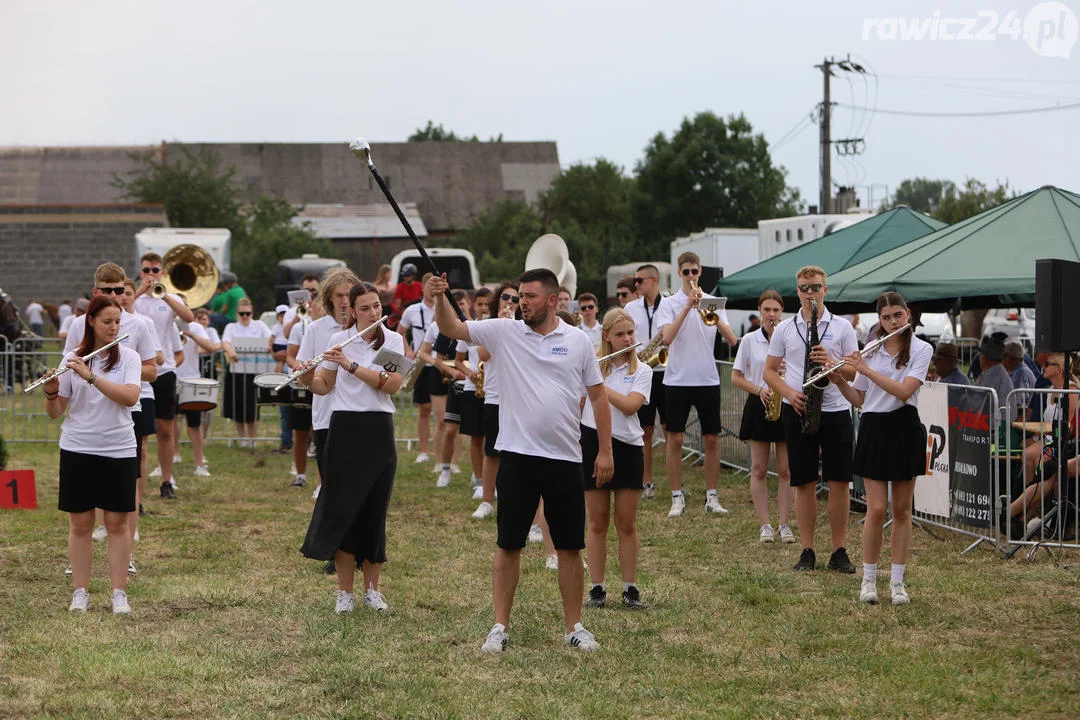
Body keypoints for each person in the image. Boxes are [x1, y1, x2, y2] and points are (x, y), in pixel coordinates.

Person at [430, 268, 614, 654]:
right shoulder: (504, 330)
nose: (520, 303)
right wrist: (438, 297)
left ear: (551, 299)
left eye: (528, 297)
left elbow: (597, 396)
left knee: (568, 547)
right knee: (508, 544)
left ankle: (574, 626)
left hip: (565, 458)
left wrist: (605, 449)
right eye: (517, 297)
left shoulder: (578, 340)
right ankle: (499, 626)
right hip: (516, 456)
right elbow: (454, 327)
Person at [301, 282, 405, 614]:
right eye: (365, 308)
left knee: (375, 509)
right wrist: (305, 377)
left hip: (378, 428)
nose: (374, 313)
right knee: (342, 508)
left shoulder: (393, 340)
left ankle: (372, 590)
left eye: (376, 306)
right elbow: (324, 386)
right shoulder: (337, 340)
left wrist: (350, 365)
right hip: (344, 427)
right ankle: (344, 592)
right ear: (352, 312)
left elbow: (392, 384)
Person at [829, 292, 932, 605]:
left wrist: (865, 369)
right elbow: (861, 400)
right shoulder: (870, 351)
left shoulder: (922, 348)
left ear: (907, 315)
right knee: (875, 509)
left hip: (904, 427)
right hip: (874, 428)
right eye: (886, 318)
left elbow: (903, 392)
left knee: (901, 510)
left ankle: (898, 582)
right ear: (880, 320)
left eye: (897, 316)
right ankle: (869, 580)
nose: (892, 322)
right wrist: (839, 381)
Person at [43, 295, 142, 614]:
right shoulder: (73, 357)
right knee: (81, 525)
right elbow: (56, 412)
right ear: (91, 323)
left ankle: (118, 593)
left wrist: (91, 377)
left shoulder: (129, 357)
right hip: (77, 446)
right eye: (107, 322)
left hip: (118, 448)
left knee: (117, 524)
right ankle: (80, 592)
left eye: (117, 322)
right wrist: (51, 390)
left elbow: (129, 397)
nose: (114, 328)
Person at [763, 265, 859, 573]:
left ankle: (839, 549)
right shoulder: (786, 328)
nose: (810, 294)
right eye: (804, 289)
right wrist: (790, 394)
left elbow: (854, 372)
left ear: (825, 290)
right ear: (798, 292)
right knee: (803, 481)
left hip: (834, 409)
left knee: (840, 481)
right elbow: (768, 371)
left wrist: (831, 363)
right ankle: (807, 549)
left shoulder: (842, 327)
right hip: (800, 408)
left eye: (815, 288)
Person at [657, 252, 738, 517]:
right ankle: (676, 496)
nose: (691, 276)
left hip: (707, 378)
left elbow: (732, 340)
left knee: (712, 439)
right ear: (679, 273)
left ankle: (712, 496)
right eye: (686, 272)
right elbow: (666, 338)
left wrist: (707, 307)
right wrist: (686, 307)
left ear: (700, 272)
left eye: (694, 271)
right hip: (677, 379)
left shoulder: (713, 302)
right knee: (675, 438)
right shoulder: (669, 303)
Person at [582, 308, 651, 611]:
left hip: (628, 447)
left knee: (626, 523)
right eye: (620, 334)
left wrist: (598, 386)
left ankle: (630, 588)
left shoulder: (643, 371)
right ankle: (596, 588)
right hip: (592, 443)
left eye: (630, 333)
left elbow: (630, 406)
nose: (627, 339)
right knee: (597, 522)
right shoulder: (590, 366)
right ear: (606, 336)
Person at [730, 290, 795, 544]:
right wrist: (759, 390)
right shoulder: (749, 340)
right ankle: (765, 524)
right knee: (758, 468)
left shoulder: (790, 338)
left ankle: (785, 524)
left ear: (782, 312)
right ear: (760, 311)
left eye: (776, 310)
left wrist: (784, 375)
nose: (771, 315)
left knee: (785, 470)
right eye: (767, 310)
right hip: (759, 403)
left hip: (784, 403)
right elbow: (735, 377)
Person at [133, 252, 195, 495]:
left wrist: (165, 293)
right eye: (146, 270)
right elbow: (119, 310)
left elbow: (188, 318)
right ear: (140, 273)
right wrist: (139, 290)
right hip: (138, 370)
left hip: (165, 368)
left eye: (155, 270)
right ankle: (137, 485)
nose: (151, 275)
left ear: (162, 273)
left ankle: (167, 480)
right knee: (141, 432)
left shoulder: (171, 298)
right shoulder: (135, 300)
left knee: (166, 428)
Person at [1002, 352, 1079, 536]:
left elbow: (1067, 429)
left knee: (1042, 463)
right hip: (1050, 439)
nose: (1042, 367)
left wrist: (1044, 436)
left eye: (1047, 364)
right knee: (1028, 455)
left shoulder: (1071, 391)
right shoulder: (1049, 390)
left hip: (1063, 441)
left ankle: (1022, 514)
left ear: (1058, 369)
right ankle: (1025, 512)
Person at [469, 281, 520, 520]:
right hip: (495, 395)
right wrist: (501, 323)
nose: (510, 303)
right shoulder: (487, 324)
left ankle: (516, 501)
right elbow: (483, 354)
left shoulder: (524, 326)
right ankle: (487, 501)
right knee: (492, 452)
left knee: (519, 453)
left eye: (515, 299)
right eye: (506, 297)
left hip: (520, 396)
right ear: (498, 298)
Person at [624, 264, 667, 500]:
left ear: (653, 280)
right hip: (641, 371)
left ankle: (674, 485)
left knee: (670, 429)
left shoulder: (668, 305)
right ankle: (645, 480)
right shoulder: (631, 307)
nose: (636, 285)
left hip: (665, 372)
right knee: (645, 430)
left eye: (639, 281)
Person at [430, 290, 470, 487]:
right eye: (455, 305)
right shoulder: (446, 331)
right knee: (450, 428)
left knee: (479, 434)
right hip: (457, 385)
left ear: (468, 304)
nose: (459, 307)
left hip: (479, 386)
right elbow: (437, 360)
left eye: (462, 304)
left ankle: (477, 476)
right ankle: (445, 470)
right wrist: (451, 371)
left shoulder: (479, 327)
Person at [221, 298, 272, 445]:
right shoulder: (231, 327)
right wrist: (230, 351)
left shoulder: (260, 325)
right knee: (237, 404)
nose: (244, 316)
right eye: (242, 313)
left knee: (253, 405)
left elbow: (269, 340)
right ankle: (242, 437)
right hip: (236, 371)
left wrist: (269, 347)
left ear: (252, 313)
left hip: (254, 371)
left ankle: (252, 438)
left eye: (248, 313)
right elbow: (225, 342)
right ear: (237, 313)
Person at [398, 273, 438, 463]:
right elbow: (400, 333)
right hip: (421, 364)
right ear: (422, 287)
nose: (431, 290)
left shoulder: (443, 310)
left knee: (441, 411)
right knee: (424, 409)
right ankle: (423, 450)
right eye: (429, 286)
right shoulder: (412, 311)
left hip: (439, 363)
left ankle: (440, 452)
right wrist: (407, 350)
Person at [175, 307, 218, 477]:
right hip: (172, 376)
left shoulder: (196, 327)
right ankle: (174, 455)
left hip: (191, 379)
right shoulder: (167, 324)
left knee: (194, 424)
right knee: (170, 421)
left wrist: (190, 334)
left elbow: (210, 347)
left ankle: (199, 463)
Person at [975, 335, 1015, 423]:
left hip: (995, 429)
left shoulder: (994, 376)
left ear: (985, 358)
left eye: (980, 355)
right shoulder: (993, 373)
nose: (979, 358)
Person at [1004, 341, 1036, 421]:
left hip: (1022, 422)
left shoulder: (1021, 373)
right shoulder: (1018, 371)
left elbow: (1019, 405)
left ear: (1007, 358)